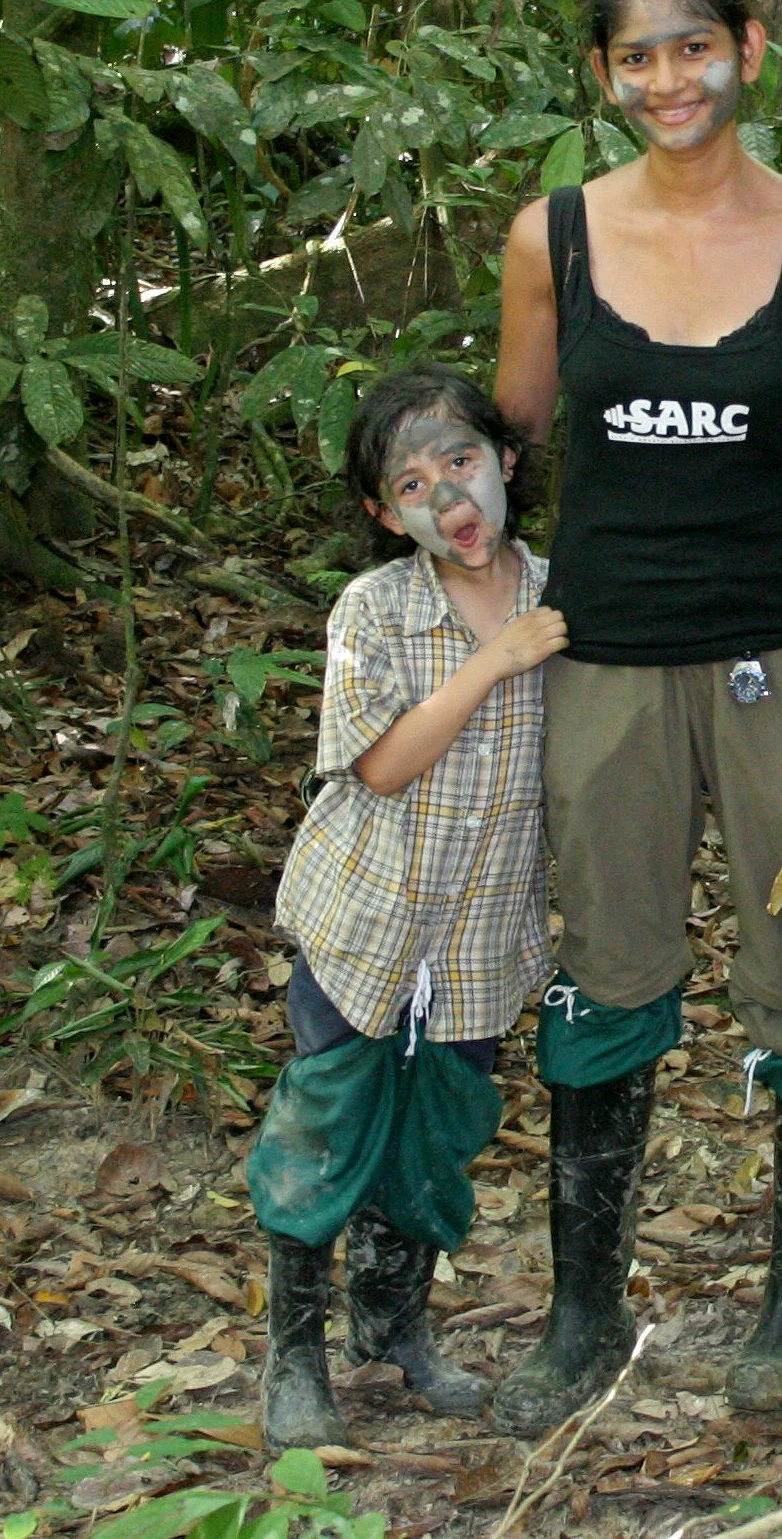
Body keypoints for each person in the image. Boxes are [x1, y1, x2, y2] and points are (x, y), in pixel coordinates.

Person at [493, 0, 782, 1432]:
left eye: (693, 45)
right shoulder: (555, 239)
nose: (670, 78)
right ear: (602, 77)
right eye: (637, 55)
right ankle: (585, 1316)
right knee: (606, 974)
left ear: (750, 46)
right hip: (605, 656)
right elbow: (511, 444)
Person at [247, 364, 568, 1449]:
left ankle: (393, 1333)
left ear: (508, 460)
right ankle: (293, 1355)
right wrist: (496, 661)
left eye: (464, 462)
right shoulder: (374, 607)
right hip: (366, 920)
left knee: (438, 1127)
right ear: (388, 514)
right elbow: (381, 764)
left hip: (482, 932)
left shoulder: (560, 594)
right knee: (325, 1118)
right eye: (415, 483)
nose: (451, 500)